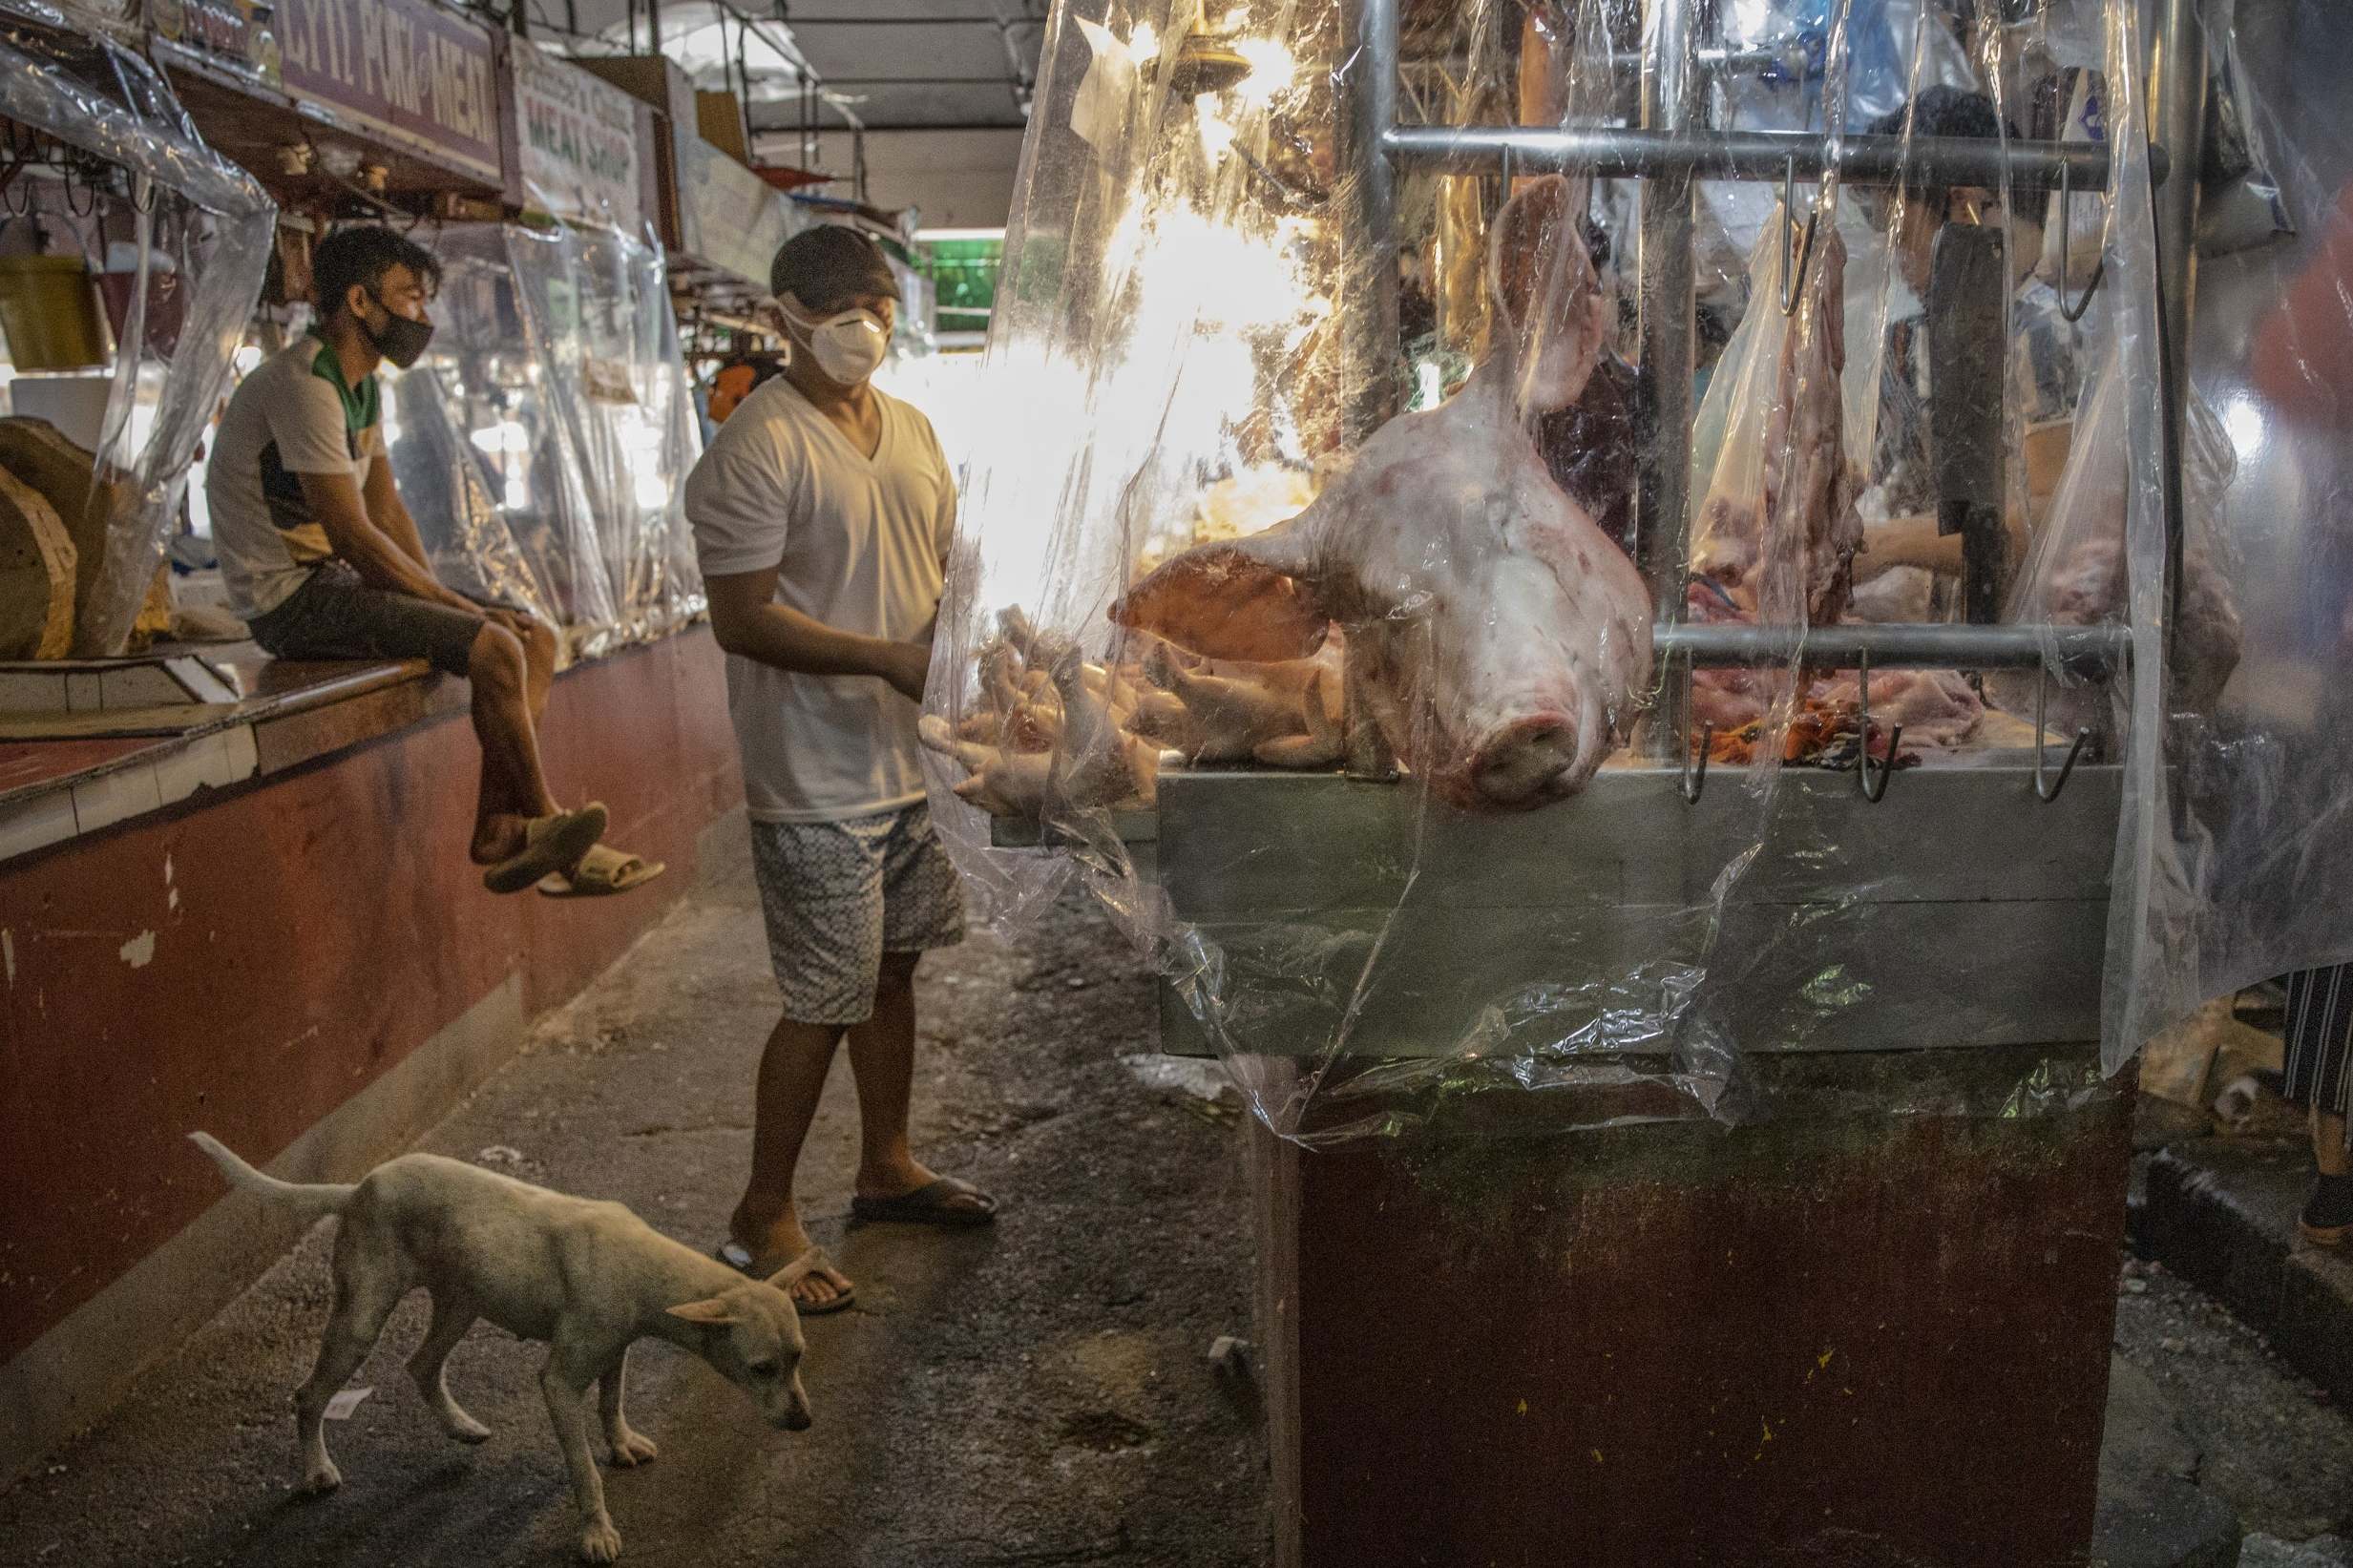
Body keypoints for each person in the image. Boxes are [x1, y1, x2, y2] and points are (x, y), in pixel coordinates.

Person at [684, 224, 995, 1316]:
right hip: (811, 776)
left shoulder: (910, 430)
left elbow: (945, 569)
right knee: (822, 996)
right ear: (785, 320)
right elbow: (740, 618)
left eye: (876, 305)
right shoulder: (754, 448)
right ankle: (757, 1213)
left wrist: (974, 655)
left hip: (903, 766)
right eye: (836, 311)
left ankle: (885, 1165)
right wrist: (887, 660)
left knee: (894, 969)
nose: (864, 328)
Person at [208, 226, 637, 896]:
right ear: (359, 300)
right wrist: (462, 612)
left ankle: (499, 825)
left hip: (334, 581)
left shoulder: (362, 388)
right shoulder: (305, 384)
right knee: (493, 645)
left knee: (535, 638)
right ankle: (548, 823)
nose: (422, 317)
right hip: (288, 600)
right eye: (410, 297)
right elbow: (351, 535)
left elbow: (388, 513)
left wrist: (448, 598)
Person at [1848, 85, 2073, 612]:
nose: (1897, 251)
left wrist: (1888, 544)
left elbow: (2051, 514)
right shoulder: (1913, 341)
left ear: (1964, 200)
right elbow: (1898, 489)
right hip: (1943, 655)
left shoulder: (2039, 331)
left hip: (2028, 651)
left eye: (1903, 228)